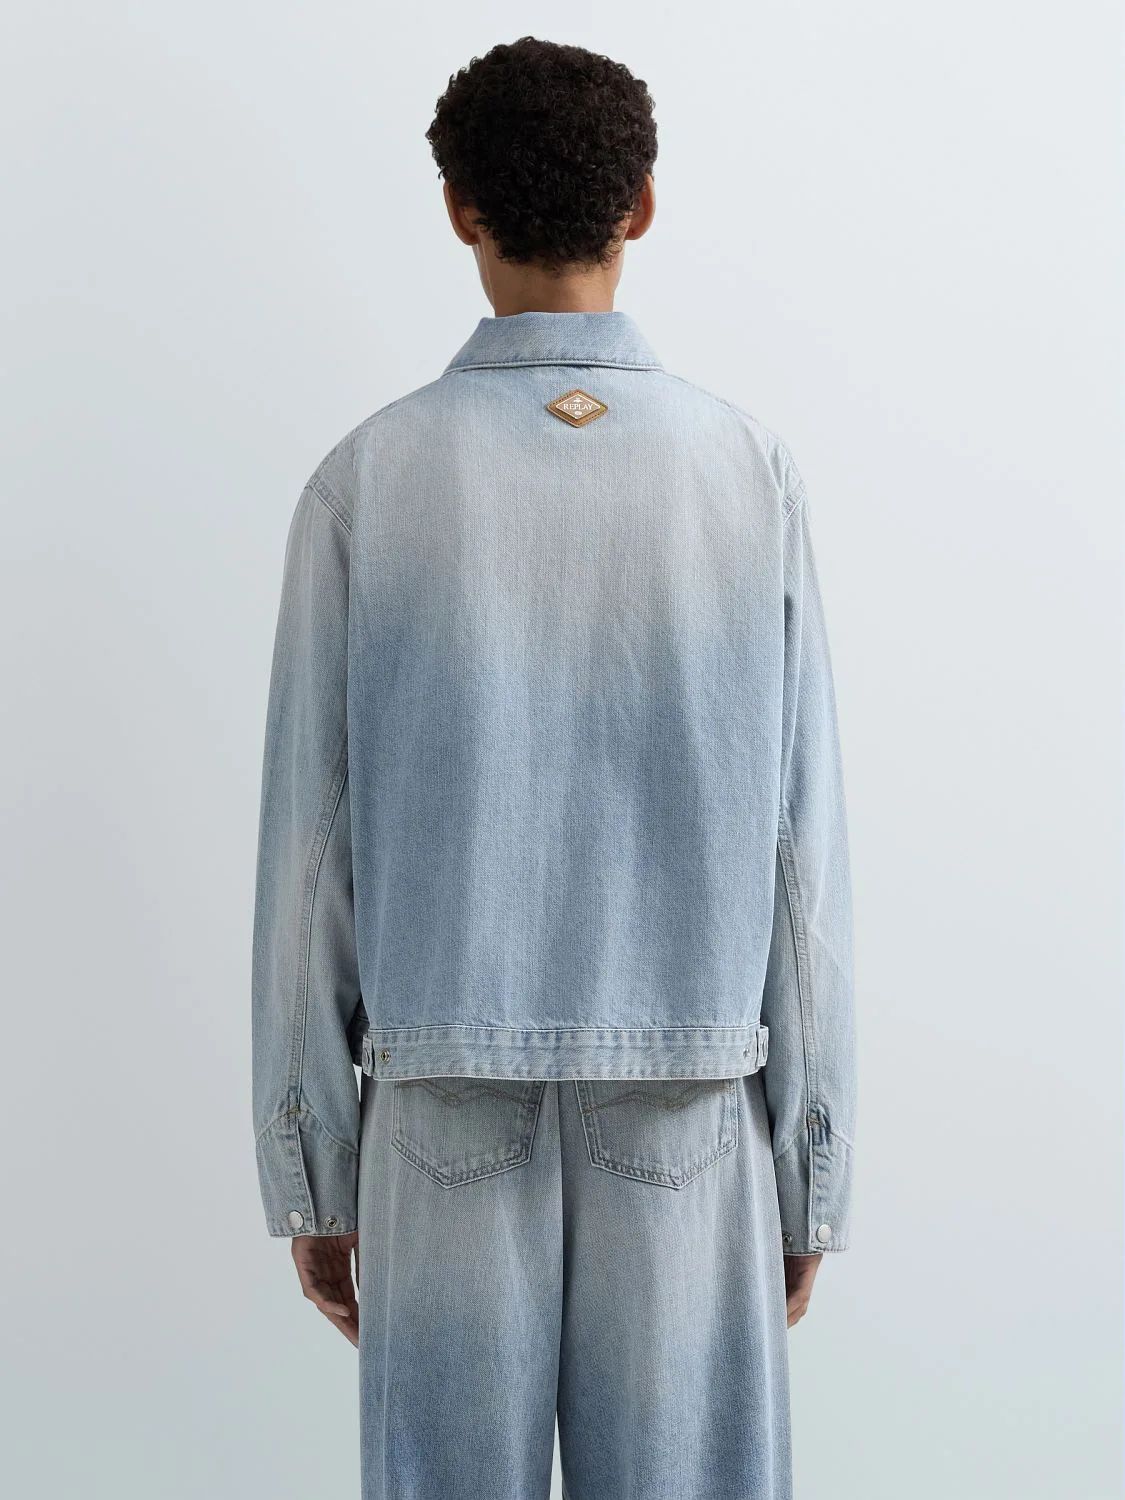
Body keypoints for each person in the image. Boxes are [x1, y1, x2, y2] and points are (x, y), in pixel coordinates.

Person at [251, 35, 856, 1500]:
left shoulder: (368, 481)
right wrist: (810, 1165)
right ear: (639, 205)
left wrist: (310, 1162)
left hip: (440, 1100)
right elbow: (801, 859)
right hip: (689, 1104)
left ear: (458, 207)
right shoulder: (746, 475)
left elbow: (309, 857)